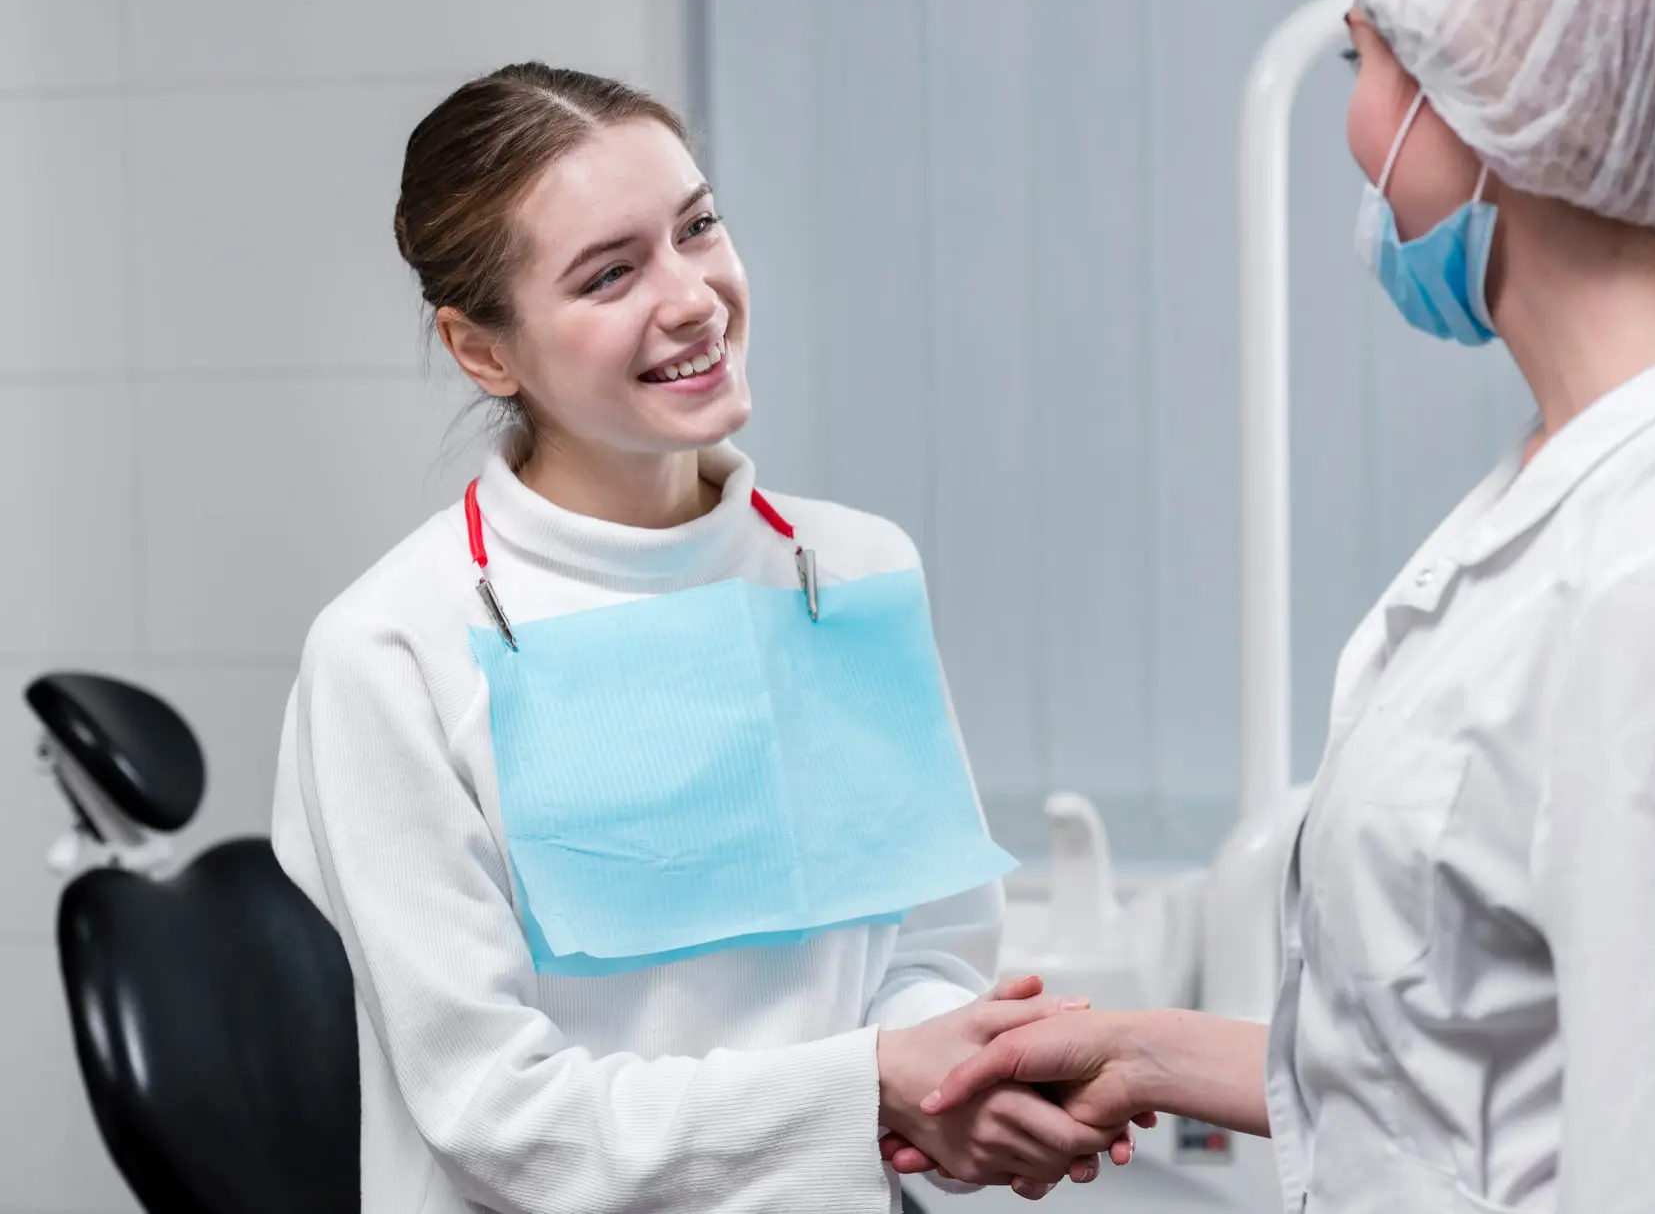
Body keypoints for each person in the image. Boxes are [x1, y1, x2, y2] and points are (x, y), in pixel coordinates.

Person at [908, 0, 1655, 1210]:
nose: (1354, 124)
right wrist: (1141, 1049)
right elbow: (1479, 1073)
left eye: (1362, 57)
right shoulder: (1576, 491)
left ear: (1496, 96)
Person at [270, 63, 1122, 1212]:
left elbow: (927, 952)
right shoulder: (390, 650)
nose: (692, 297)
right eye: (610, 273)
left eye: (698, 227)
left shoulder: (852, 573)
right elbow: (498, 1116)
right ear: (482, 350)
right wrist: (875, 1085)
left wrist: (962, 1075)